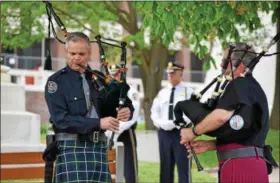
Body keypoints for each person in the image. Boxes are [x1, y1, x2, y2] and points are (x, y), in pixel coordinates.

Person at [180, 43, 277, 183]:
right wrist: (212, 145)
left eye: (225, 61)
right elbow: (244, 131)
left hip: (239, 167)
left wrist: (193, 131)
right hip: (254, 166)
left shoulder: (238, 84)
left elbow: (220, 117)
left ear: (241, 65)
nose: (221, 64)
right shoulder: (253, 88)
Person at [44, 32, 134, 183]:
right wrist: (98, 123)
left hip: (99, 147)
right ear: (66, 52)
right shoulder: (56, 82)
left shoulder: (99, 78)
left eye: (81, 53)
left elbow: (121, 98)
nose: (76, 58)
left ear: (89, 53)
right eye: (72, 53)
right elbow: (61, 120)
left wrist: (127, 110)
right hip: (71, 147)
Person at [151, 61, 194, 183]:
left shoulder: (188, 92)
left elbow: (191, 113)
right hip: (164, 133)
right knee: (165, 168)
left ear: (181, 73)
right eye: (169, 73)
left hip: (181, 133)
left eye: (173, 72)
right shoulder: (162, 93)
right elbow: (154, 111)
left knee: (183, 167)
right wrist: (160, 123)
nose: (170, 75)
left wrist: (177, 123)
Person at [105, 64, 140, 183]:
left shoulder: (131, 91)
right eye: (113, 74)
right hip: (108, 132)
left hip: (125, 132)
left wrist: (115, 129)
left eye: (118, 74)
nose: (115, 77)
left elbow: (133, 115)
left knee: (130, 168)